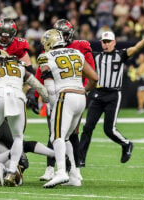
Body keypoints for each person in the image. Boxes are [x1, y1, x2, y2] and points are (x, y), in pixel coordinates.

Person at [79, 28, 144, 167]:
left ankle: (127, 144)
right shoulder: (96, 56)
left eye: (109, 42)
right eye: (104, 42)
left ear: (114, 42)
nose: (106, 44)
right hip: (97, 94)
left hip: (113, 95)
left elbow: (136, 48)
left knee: (109, 130)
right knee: (87, 127)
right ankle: (80, 158)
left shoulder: (120, 55)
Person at [0, 49, 49, 186]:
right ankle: (11, 173)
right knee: (18, 137)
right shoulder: (19, 65)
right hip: (17, 96)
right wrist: (46, 97)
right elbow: (34, 83)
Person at [37, 19, 96, 182]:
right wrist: (84, 91)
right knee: (69, 136)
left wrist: (52, 103)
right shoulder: (77, 53)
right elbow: (95, 77)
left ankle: (61, 171)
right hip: (80, 96)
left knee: (56, 136)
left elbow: (49, 87)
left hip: (63, 96)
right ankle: (75, 175)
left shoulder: (45, 57)